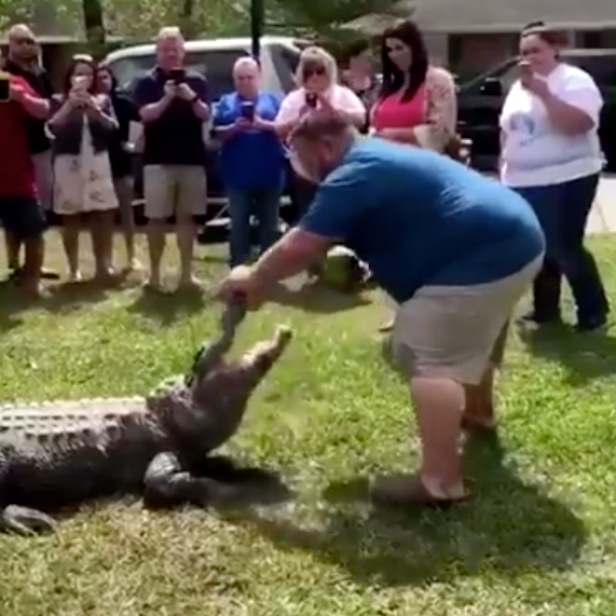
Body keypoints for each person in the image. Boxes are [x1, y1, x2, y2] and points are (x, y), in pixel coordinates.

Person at [217, 111, 546, 507]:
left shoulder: (353, 171)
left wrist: (254, 277)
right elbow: (332, 294)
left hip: (484, 252)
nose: (299, 168)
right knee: (465, 330)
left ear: (325, 145)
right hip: (514, 238)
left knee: (425, 349)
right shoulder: (378, 157)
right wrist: (273, 292)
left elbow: (301, 245)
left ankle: (440, 482)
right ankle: (477, 413)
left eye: (298, 155)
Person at [500, 23, 609, 331]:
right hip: (522, 180)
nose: (528, 58)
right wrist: (504, 166)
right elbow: (508, 130)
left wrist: (544, 93)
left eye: (536, 50)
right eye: (523, 53)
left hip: (568, 176)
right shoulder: (518, 88)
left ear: (554, 50)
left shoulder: (574, 81)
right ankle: (545, 310)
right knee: (537, 245)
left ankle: (593, 311)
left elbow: (577, 125)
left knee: (563, 244)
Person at [370, 19, 458, 332]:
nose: (395, 55)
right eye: (389, 49)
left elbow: (440, 131)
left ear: (415, 46)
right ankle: (403, 307)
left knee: (429, 246)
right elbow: (374, 127)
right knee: (395, 247)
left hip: (425, 175)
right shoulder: (390, 85)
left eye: (400, 47)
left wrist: (393, 134)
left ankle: (438, 309)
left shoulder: (438, 81)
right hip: (387, 176)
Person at [133, 26, 210, 291]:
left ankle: (187, 275)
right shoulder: (146, 82)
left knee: (187, 218)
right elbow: (146, 115)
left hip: (191, 160)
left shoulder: (197, 81)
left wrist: (190, 97)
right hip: (157, 161)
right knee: (155, 220)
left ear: (183, 51)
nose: (171, 55)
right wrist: (167, 97)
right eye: (166, 50)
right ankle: (154, 275)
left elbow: (205, 115)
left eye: (175, 49)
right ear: (157, 52)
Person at [47, 55, 119, 284]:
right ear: (69, 77)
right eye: (78, 73)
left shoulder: (102, 100)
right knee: (71, 216)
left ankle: (103, 266)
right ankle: (74, 269)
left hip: (97, 160)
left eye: (88, 74)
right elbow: (50, 129)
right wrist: (69, 105)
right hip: (68, 163)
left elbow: (113, 128)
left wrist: (95, 110)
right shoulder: (58, 100)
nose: (83, 78)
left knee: (103, 214)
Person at [276, 46, 366, 226]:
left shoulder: (342, 94)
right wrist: (300, 118)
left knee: (343, 212)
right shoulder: (295, 98)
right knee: (309, 213)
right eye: (309, 72)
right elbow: (279, 129)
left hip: (341, 164)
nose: (315, 76)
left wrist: (334, 113)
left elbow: (361, 119)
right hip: (306, 169)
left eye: (320, 71)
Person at [213, 57, 287, 267]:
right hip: (237, 174)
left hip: (270, 172)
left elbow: (285, 130)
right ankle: (238, 265)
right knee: (238, 223)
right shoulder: (225, 102)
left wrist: (264, 125)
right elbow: (215, 134)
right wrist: (234, 128)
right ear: (234, 80)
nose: (245, 82)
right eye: (240, 78)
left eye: (250, 77)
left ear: (259, 78)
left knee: (270, 224)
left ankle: (268, 267)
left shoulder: (273, 101)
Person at [3, 24, 58, 281]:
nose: (26, 46)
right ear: (9, 45)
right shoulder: (5, 74)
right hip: (13, 153)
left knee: (36, 211)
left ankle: (32, 265)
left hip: (39, 148)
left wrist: (22, 98)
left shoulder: (37, 73)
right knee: (14, 214)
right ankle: (15, 265)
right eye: (19, 41)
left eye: (29, 41)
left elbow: (46, 107)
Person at [0, 68, 49, 296]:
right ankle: (15, 267)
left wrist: (22, 97)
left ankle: (32, 281)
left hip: (15, 173)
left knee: (33, 227)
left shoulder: (12, 81)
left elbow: (43, 111)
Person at [97, 64, 140, 272]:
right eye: (99, 78)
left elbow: (141, 121)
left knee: (126, 213)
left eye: (106, 77)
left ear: (112, 79)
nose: (102, 81)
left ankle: (132, 256)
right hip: (98, 163)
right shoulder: (90, 104)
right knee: (104, 216)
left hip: (122, 164)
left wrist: (133, 144)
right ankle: (106, 260)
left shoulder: (122, 103)